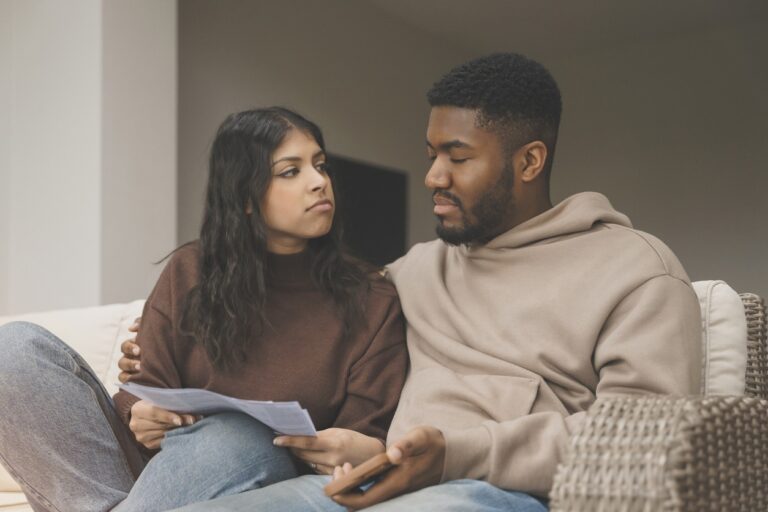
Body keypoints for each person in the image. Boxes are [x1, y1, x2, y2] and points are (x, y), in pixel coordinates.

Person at [119, 53, 702, 511]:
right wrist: (160, 340)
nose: (431, 176)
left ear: (529, 163)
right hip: (373, 487)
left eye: (458, 157)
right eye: (430, 153)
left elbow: (647, 442)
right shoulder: (414, 271)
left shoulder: (636, 272)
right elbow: (308, 309)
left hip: (498, 493)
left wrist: (455, 455)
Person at [0, 107, 408, 512]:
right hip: (149, 474)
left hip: (251, 474)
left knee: (236, 435)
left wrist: (354, 446)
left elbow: (366, 430)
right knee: (13, 350)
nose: (319, 182)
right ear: (245, 197)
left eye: (321, 166)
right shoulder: (190, 270)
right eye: (291, 171)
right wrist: (141, 413)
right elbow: (143, 388)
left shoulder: (372, 298)